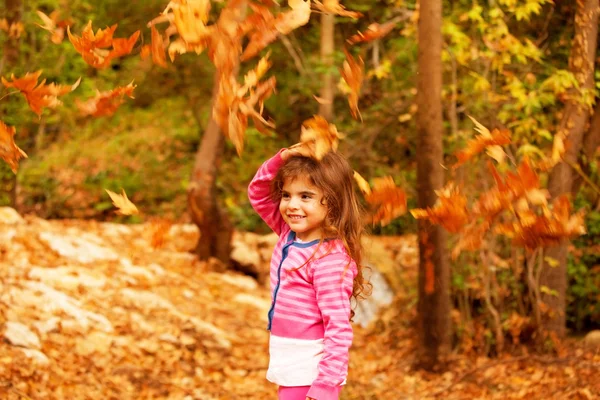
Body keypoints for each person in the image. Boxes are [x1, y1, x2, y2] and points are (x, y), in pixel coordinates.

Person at [248, 145, 369, 400]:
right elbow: (257, 192)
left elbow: (337, 327)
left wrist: (325, 386)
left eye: (306, 196)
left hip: (310, 370)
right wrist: (282, 157)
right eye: (286, 195)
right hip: (289, 359)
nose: (292, 205)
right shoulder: (288, 233)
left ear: (333, 202)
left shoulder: (329, 260)